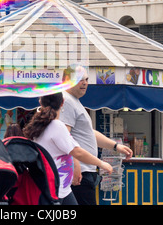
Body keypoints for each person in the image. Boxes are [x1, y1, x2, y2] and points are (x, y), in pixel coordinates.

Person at [23, 92, 113, 205]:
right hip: (56, 187)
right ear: (62, 103)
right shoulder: (56, 125)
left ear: (40, 102)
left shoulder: (42, 125)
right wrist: (102, 164)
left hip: (60, 188)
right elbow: (77, 152)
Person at [60, 70, 133, 205]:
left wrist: (116, 146)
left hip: (85, 171)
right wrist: (75, 166)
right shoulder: (67, 101)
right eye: (80, 79)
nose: (85, 83)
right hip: (80, 172)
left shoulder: (74, 101)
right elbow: (65, 137)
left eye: (87, 79)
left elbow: (89, 133)